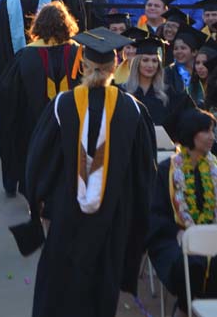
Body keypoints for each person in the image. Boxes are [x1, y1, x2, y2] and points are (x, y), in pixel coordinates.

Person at [14, 27, 156, 317]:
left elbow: (39, 161)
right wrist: (138, 216)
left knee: (59, 284)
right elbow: (145, 173)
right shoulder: (134, 110)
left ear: (82, 65)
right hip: (114, 213)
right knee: (103, 285)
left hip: (66, 210)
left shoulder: (61, 105)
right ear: (115, 66)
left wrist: (37, 201)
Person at [0, 1, 82, 197]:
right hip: (71, 119)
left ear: (39, 25)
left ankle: (32, 189)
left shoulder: (25, 56)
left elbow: (8, 94)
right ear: (66, 24)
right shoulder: (78, 52)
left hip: (32, 123)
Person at [148, 109, 217, 317]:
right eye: (207, 131)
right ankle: (185, 308)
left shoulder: (215, 170)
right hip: (172, 238)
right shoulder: (166, 170)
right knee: (190, 264)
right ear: (191, 133)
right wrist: (179, 233)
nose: (212, 137)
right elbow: (155, 214)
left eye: (213, 131)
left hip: (211, 236)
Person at [123, 35, 195, 139]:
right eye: (145, 60)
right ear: (137, 63)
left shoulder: (168, 92)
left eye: (154, 61)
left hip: (162, 149)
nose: (150, 65)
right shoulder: (124, 92)